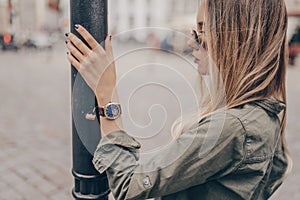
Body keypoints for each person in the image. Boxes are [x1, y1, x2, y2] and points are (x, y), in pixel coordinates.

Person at [65, 0, 292, 199]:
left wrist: (107, 95)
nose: (192, 42)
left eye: (202, 31)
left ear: (238, 36)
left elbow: (129, 185)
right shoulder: (266, 113)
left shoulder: (233, 127)